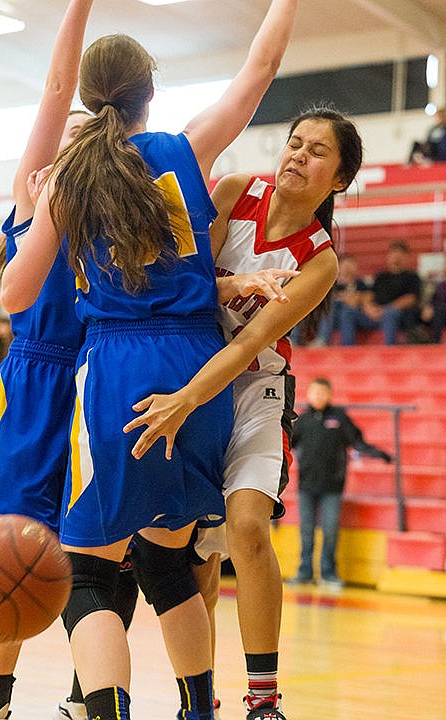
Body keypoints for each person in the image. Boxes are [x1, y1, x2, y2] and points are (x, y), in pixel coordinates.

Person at [0, 3, 299, 720]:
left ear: (92, 98)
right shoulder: (186, 149)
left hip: (117, 372)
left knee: (86, 577)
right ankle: (200, 711)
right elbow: (260, 68)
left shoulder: (70, 180)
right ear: (149, 93)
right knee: (169, 564)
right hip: (202, 371)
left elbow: (15, 294)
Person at [124, 105, 364, 720]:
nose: (298, 156)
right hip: (192, 373)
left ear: (339, 179)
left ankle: (264, 702)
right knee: (198, 555)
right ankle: (196, 702)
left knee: (248, 530)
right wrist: (182, 389)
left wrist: (185, 400)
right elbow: (183, 286)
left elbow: (248, 344)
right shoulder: (233, 191)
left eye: (316, 152)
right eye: (294, 142)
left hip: (255, 389)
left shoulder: (320, 260)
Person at [0, 3, 96, 720]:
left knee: (93, 557)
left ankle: (86, 700)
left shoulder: (113, 212)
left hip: (95, 381)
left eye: (89, 131)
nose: (75, 133)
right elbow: (56, 91)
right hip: (33, 380)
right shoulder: (34, 194)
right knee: (6, 553)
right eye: (68, 131)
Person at [287, 377, 392, 587]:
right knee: (306, 531)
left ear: (329, 395)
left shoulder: (340, 419)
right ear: (308, 395)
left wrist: (380, 454)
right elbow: (287, 445)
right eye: (314, 393)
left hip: (332, 487)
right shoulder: (303, 421)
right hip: (306, 485)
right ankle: (305, 571)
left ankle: (329, 573)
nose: (318, 396)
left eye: (322, 393)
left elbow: (358, 441)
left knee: (330, 530)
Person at [338, 240, 422, 345]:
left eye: (399, 254)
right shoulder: (381, 276)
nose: (396, 257)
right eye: (393, 254)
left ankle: (389, 349)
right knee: (348, 311)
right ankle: (347, 349)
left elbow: (411, 298)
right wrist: (368, 308)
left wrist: (387, 309)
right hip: (375, 314)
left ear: (406, 257)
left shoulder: (412, 276)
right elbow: (369, 294)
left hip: (395, 315)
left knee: (391, 313)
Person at [312, 253, 370, 345]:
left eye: (350, 264)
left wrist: (343, 298)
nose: (347, 268)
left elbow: (357, 301)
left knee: (346, 310)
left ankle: (339, 343)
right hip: (333, 317)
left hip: (353, 316)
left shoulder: (360, 283)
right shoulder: (332, 285)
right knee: (331, 305)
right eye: (344, 265)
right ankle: (321, 339)